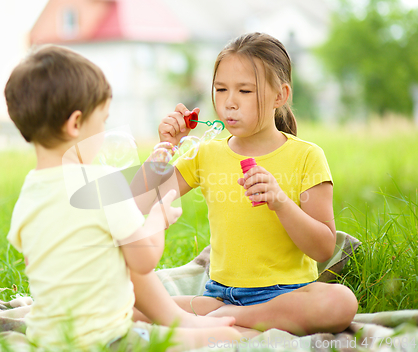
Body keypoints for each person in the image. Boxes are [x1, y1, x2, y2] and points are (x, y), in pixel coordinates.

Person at [4, 45, 240, 351]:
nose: (104, 131)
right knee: (228, 338)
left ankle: (183, 322)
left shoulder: (29, 192)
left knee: (112, 254)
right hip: (108, 340)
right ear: (76, 124)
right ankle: (189, 327)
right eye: (102, 121)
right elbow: (143, 260)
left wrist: (164, 150)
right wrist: (157, 220)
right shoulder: (100, 183)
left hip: (47, 339)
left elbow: (37, 262)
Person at [151, 32, 359, 336]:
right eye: (221, 89)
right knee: (128, 301)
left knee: (341, 301)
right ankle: (232, 319)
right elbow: (145, 197)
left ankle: (227, 320)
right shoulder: (206, 153)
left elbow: (323, 247)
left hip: (286, 298)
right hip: (220, 297)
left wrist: (280, 202)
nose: (229, 103)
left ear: (280, 96)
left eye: (245, 91)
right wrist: (166, 147)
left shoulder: (306, 156)